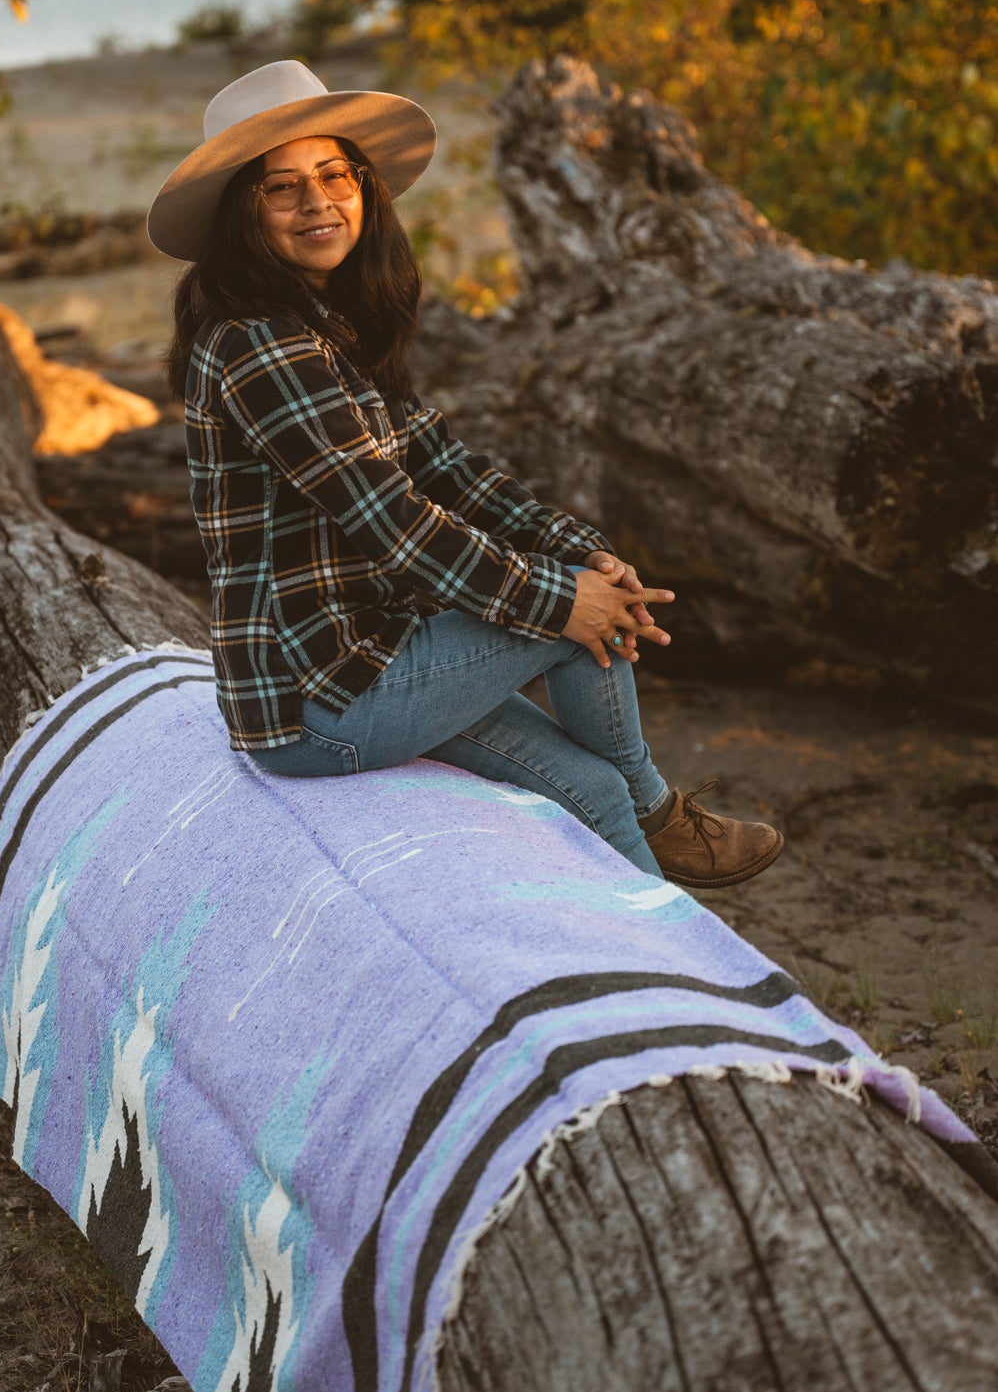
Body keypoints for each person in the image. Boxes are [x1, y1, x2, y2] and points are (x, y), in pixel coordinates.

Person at [148, 60, 782, 887]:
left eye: (335, 175)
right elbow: (393, 521)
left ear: (365, 187)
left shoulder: (327, 323)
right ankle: (663, 819)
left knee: (588, 784)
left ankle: (665, 961)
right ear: (244, 214)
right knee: (569, 620)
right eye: (283, 188)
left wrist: (582, 549)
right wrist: (563, 596)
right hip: (315, 696)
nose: (317, 202)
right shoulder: (259, 345)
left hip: (371, 659)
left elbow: (443, 465)